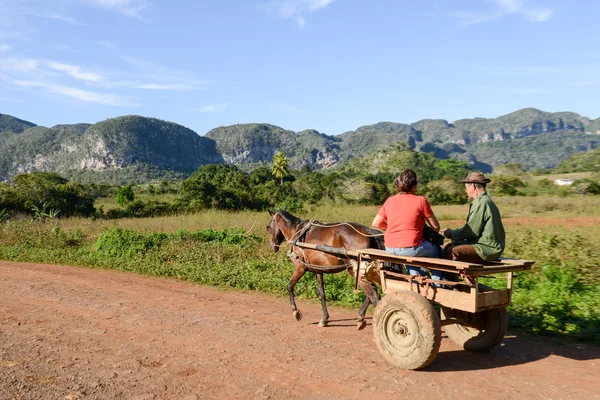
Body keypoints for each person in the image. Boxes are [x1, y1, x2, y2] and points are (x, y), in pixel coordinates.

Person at [371, 169, 444, 283]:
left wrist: (392, 228)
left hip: (390, 247)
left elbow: (376, 223)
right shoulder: (421, 200)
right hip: (410, 247)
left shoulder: (390, 200)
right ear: (414, 186)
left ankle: (418, 280)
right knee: (437, 251)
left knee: (409, 255)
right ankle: (438, 284)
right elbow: (436, 227)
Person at [442, 171, 505, 263]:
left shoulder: (481, 202)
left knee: (452, 251)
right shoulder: (484, 201)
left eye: (466, 187)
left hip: (487, 248)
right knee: (446, 246)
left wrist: (452, 234)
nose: (466, 190)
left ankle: (450, 277)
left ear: (473, 186)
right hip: (483, 244)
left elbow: (471, 231)